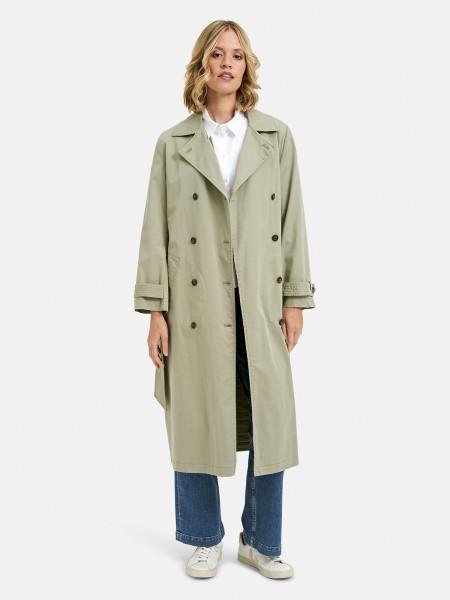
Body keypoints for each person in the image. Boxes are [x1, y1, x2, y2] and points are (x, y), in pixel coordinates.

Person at [133, 20, 316, 579]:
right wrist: (156, 310)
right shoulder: (174, 144)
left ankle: (261, 540)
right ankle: (203, 536)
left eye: (238, 54)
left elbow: (292, 221)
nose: (228, 63)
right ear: (202, 65)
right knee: (193, 414)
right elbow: (156, 231)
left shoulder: (276, 138)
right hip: (194, 307)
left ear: (247, 66)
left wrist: (294, 297)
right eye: (217, 54)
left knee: (271, 419)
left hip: (259, 300)